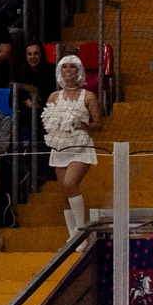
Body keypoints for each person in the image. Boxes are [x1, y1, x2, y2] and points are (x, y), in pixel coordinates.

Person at [42, 52, 98, 234]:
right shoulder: (53, 96)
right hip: (60, 146)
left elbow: (99, 125)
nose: (68, 70)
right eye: (64, 66)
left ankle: (82, 229)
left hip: (81, 146)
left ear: (79, 71)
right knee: (64, 192)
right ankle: (72, 234)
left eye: (72, 66)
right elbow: (46, 122)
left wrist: (82, 124)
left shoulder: (89, 97)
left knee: (69, 184)